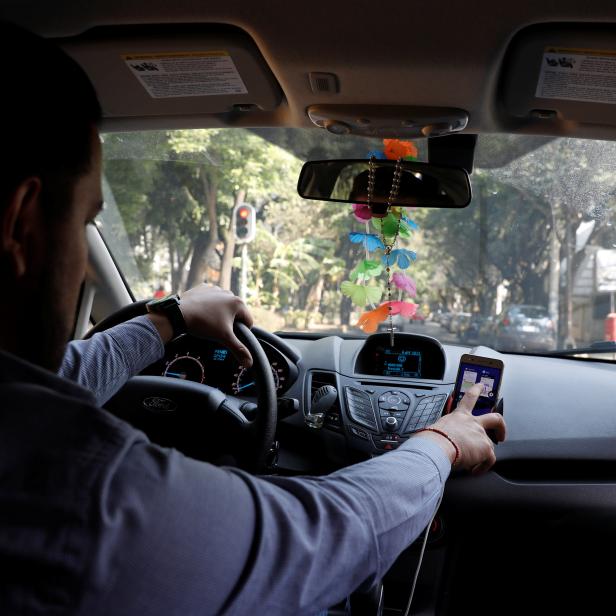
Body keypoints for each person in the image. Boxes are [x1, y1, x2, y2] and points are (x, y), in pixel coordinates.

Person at [0, 22, 506, 615]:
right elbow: (321, 541)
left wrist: (170, 317)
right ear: (21, 223)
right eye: (86, 222)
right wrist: (441, 441)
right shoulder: (86, 491)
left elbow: (68, 373)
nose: (84, 263)